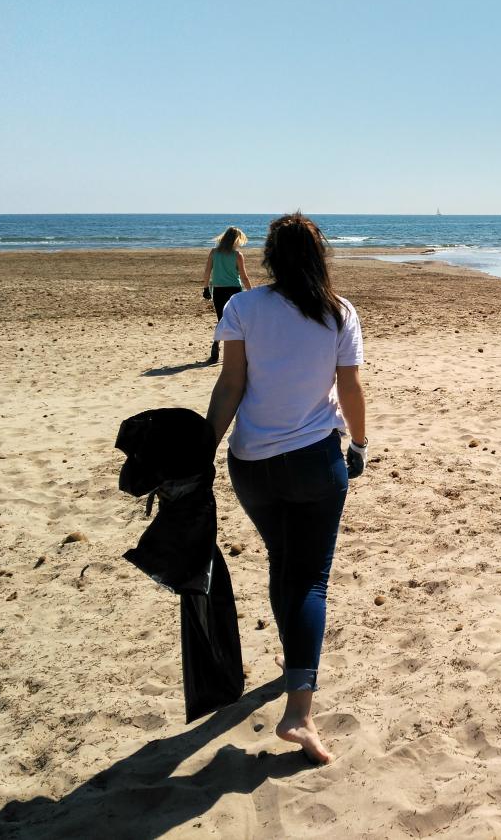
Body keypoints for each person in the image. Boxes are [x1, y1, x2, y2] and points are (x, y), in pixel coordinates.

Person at [205, 211, 366, 765]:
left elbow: (230, 385)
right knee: (311, 580)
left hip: (251, 463)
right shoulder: (337, 313)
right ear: (320, 257)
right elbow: (350, 389)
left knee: (282, 561)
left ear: (270, 257)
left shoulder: (242, 306)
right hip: (314, 463)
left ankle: (292, 657)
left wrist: (204, 450)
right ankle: (299, 712)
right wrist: (361, 445)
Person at [202, 227, 253, 364]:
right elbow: (244, 276)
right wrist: (251, 292)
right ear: (236, 240)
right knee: (237, 321)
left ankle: (216, 344)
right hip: (234, 291)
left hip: (218, 290)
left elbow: (207, 272)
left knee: (221, 319)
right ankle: (241, 351)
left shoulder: (214, 253)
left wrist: (206, 288)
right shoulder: (237, 255)